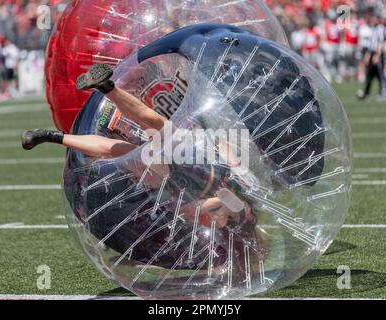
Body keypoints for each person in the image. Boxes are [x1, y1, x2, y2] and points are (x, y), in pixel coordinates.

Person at [22, 63, 256, 232]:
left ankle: (52, 136)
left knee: (116, 151)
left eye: (232, 219)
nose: (229, 217)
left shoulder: (217, 210)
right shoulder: (237, 181)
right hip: (189, 148)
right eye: (240, 214)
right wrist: (238, 168)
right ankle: (107, 87)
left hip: (170, 175)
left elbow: (186, 211)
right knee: (151, 123)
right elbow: (219, 142)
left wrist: (220, 202)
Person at [356, 14, 386, 100]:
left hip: (378, 53)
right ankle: (366, 92)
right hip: (372, 53)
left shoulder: (381, 28)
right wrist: (368, 54)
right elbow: (371, 43)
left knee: (380, 74)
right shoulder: (373, 28)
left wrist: (377, 55)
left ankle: (383, 92)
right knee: (369, 74)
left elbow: (381, 42)